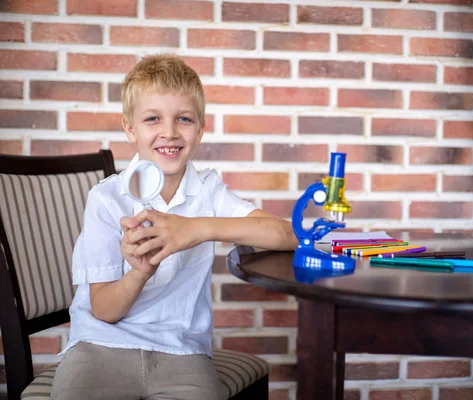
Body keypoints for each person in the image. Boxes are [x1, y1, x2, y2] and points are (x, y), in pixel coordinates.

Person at [50, 54, 298, 400]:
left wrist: (195, 229)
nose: (169, 131)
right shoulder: (107, 199)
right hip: (100, 347)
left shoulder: (208, 191)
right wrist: (139, 272)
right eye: (153, 119)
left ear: (200, 129)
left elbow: (287, 235)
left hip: (181, 352)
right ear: (130, 129)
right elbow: (105, 310)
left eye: (183, 119)